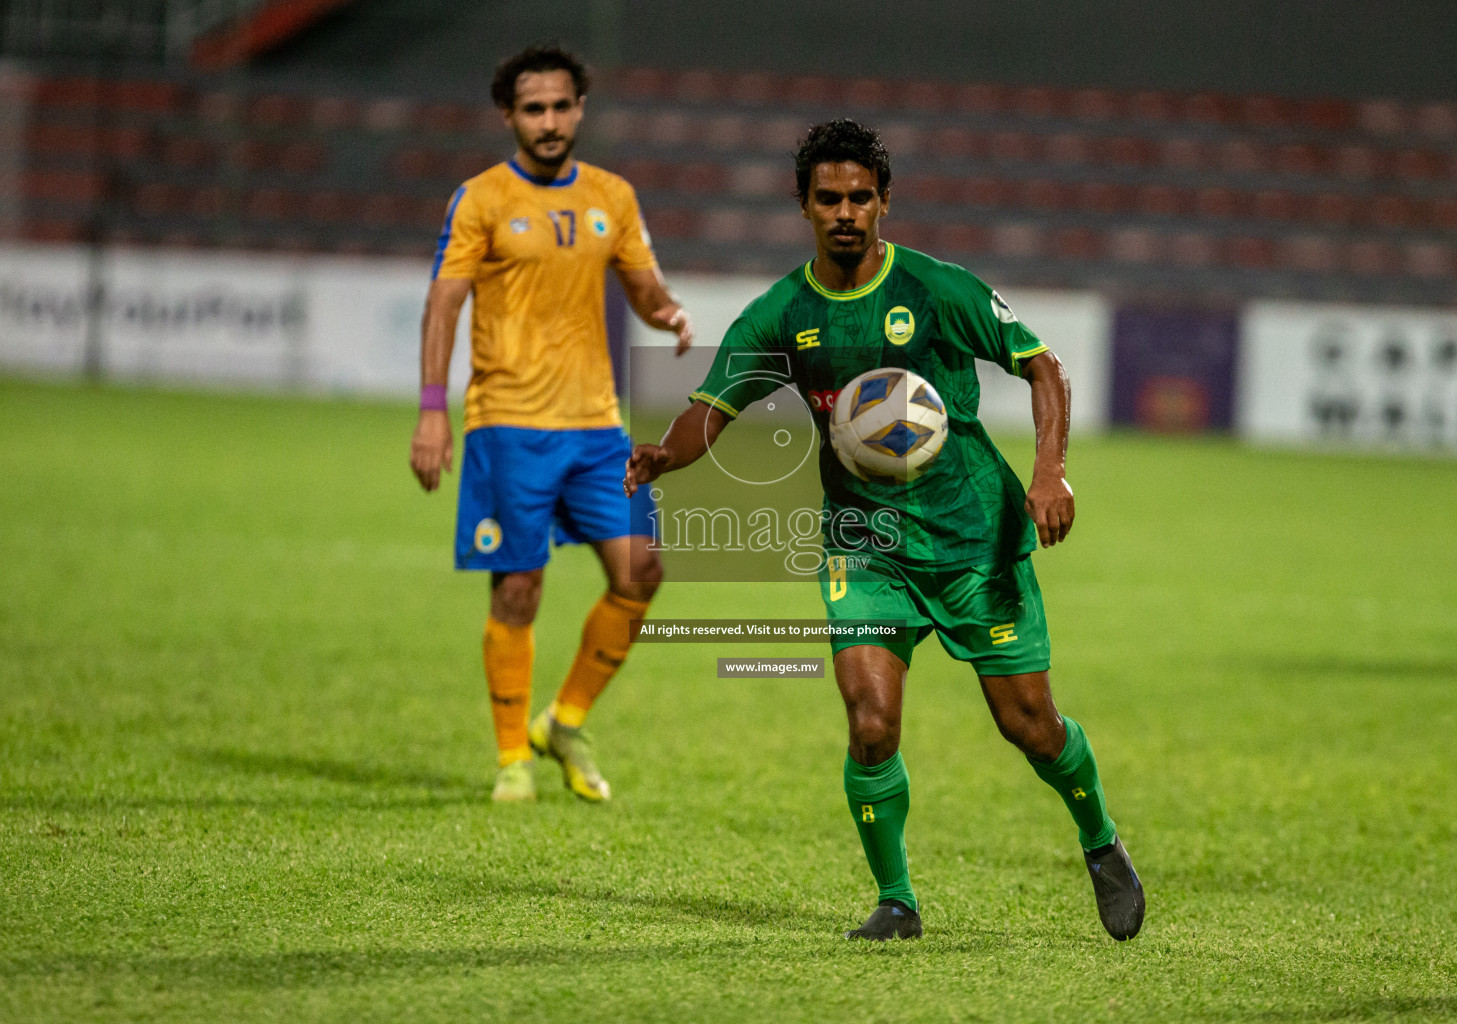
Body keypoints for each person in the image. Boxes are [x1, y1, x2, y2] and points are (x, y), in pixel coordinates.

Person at [625, 119, 1143, 941]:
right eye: (828, 197)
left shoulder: (936, 290)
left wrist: (1051, 471)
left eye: (859, 197)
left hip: (973, 538)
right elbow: (707, 413)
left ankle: (1100, 840)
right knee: (871, 724)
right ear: (803, 205)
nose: (844, 212)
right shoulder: (781, 314)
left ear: (884, 203)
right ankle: (896, 900)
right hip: (864, 548)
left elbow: (1043, 365)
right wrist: (664, 457)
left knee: (1030, 725)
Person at [410, 44, 692, 804]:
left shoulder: (613, 196)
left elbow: (643, 287)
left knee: (642, 574)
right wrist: (433, 413)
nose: (550, 121)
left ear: (580, 111)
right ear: (509, 116)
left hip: (598, 428)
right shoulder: (480, 199)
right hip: (508, 425)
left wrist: (666, 313)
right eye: (534, 109)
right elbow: (444, 302)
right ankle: (512, 759)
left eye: (562, 106)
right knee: (519, 590)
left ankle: (563, 721)